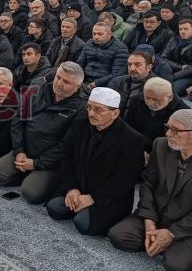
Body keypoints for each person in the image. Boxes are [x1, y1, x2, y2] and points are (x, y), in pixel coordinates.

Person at [46, 87, 144, 236]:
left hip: (108, 196)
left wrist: (93, 198)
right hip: (79, 186)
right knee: (54, 208)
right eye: (89, 107)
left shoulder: (132, 139)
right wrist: (72, 188)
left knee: (83, 223)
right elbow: (66, 158)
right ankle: (78, 204)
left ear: (115, 113)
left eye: (98, 110)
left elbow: (125, 179)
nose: (91, 113)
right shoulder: (80, 124)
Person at [0, 62, 87, 204]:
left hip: (51, 162)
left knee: (31, 193)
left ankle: (36, 177)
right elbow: (18, 119)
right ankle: (27, 174)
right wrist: (19, 150)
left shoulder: (81, 108)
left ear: (77, 86)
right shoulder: (38, 88)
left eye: (66, 82)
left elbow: (66, 145)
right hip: (25, 151)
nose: (59, 83)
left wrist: (37, 163)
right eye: (58, 77)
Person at [108, 109, 192, 271]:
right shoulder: (160, 144)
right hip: (157, 215)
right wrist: (149, 220)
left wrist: (172, 233)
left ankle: (167, 243)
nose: (168, 134)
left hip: (186, 227)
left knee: (176, 265)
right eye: (168, 127)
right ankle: (160, 241)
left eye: (175, 130)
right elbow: (148, 184)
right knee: (118, 235)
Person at [126, 77, 189, 154]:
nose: (150, 103)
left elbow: (179, 143)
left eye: (156, 100)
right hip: (134, 144)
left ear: (170, 98)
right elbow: (128, 125)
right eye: (147, 97)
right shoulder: (137, 100)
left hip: (161, 152)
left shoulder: (183, 113)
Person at [77, 23, 129, 88]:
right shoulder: (89, 43)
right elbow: (80, 64)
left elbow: (117, 74)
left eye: (100, 34)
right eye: (94, 34)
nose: (96, 37)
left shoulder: (120, 49)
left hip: (105, 85)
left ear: (109, 34)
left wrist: (97, 83)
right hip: (84, 80)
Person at [109, 50, 158, 115]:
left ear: (149, 67)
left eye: (137, 65)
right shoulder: (117, 81)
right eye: (129, 64)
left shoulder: (157, 87)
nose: (132, 68)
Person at [167, 18, 192, 95]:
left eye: (186, 29)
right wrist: (180, 67)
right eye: (180, 29)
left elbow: (190, 68)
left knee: (171, 91)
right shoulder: (174, 39)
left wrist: (173, 76)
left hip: (187, 76)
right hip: (171, 70)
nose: (182, 31)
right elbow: (163, 58)